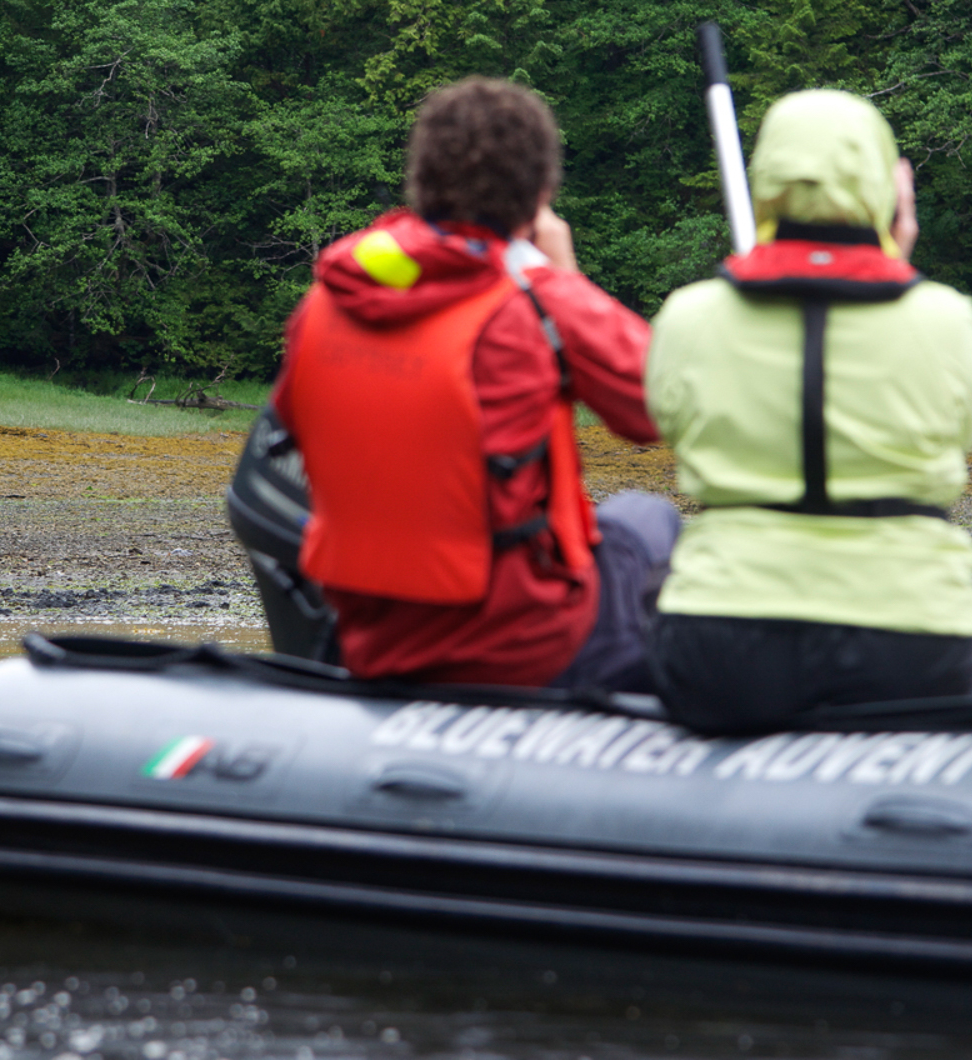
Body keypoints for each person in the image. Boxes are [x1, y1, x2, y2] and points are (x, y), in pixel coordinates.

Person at [266, 76, 678, 691]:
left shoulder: (326, 301)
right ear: (540, 194)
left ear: (421, 179)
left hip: (373, 640)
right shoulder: (538, 301)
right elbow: (659, 408)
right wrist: (563, 277)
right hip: (527, 644)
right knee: (647, 515)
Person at [644, 89, 972, 733]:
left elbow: (668, 418)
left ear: (765, 183)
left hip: (726, 644)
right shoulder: (947, 322)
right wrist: (894, 255)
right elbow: (970, 426)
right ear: (884, 190)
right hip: (909, 644)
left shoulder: (690, 318)